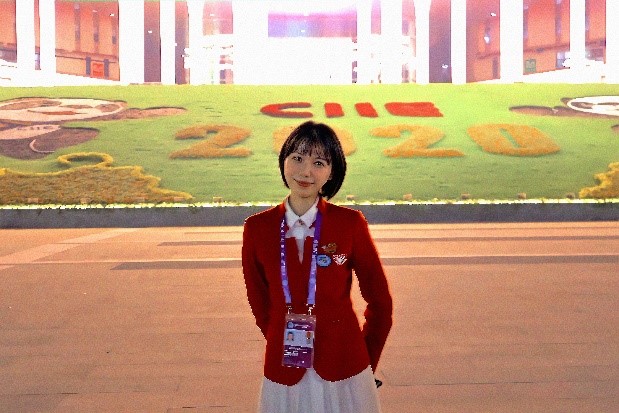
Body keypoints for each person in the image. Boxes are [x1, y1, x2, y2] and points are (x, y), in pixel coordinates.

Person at [242, 120, 393, 413]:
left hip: (346, 369)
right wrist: (284, 339)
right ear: (283, 161)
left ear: (331, 171)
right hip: (285, 370)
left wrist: (364, 360)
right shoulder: (257, 228)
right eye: (297, 158)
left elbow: (380, 302)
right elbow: (259, 304)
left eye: (318, 162)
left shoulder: (349, 224)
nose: (305, 171)